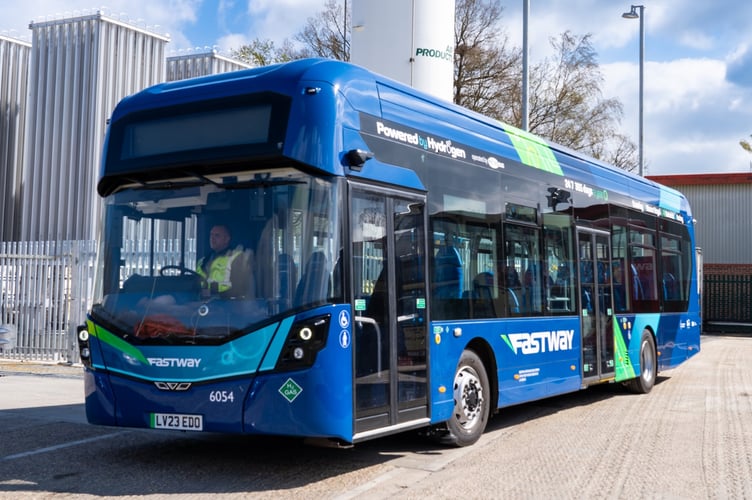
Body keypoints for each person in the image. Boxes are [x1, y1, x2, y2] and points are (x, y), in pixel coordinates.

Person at [196, 224, 253, 299]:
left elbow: (238, 289)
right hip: (204, 303)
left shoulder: (236, 257)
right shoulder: (203, 261)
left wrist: (214, 292)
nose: (212, 238)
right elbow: (197, 285)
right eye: (211, 235)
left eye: (217, 235)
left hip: (228, 305)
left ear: (227, 239)